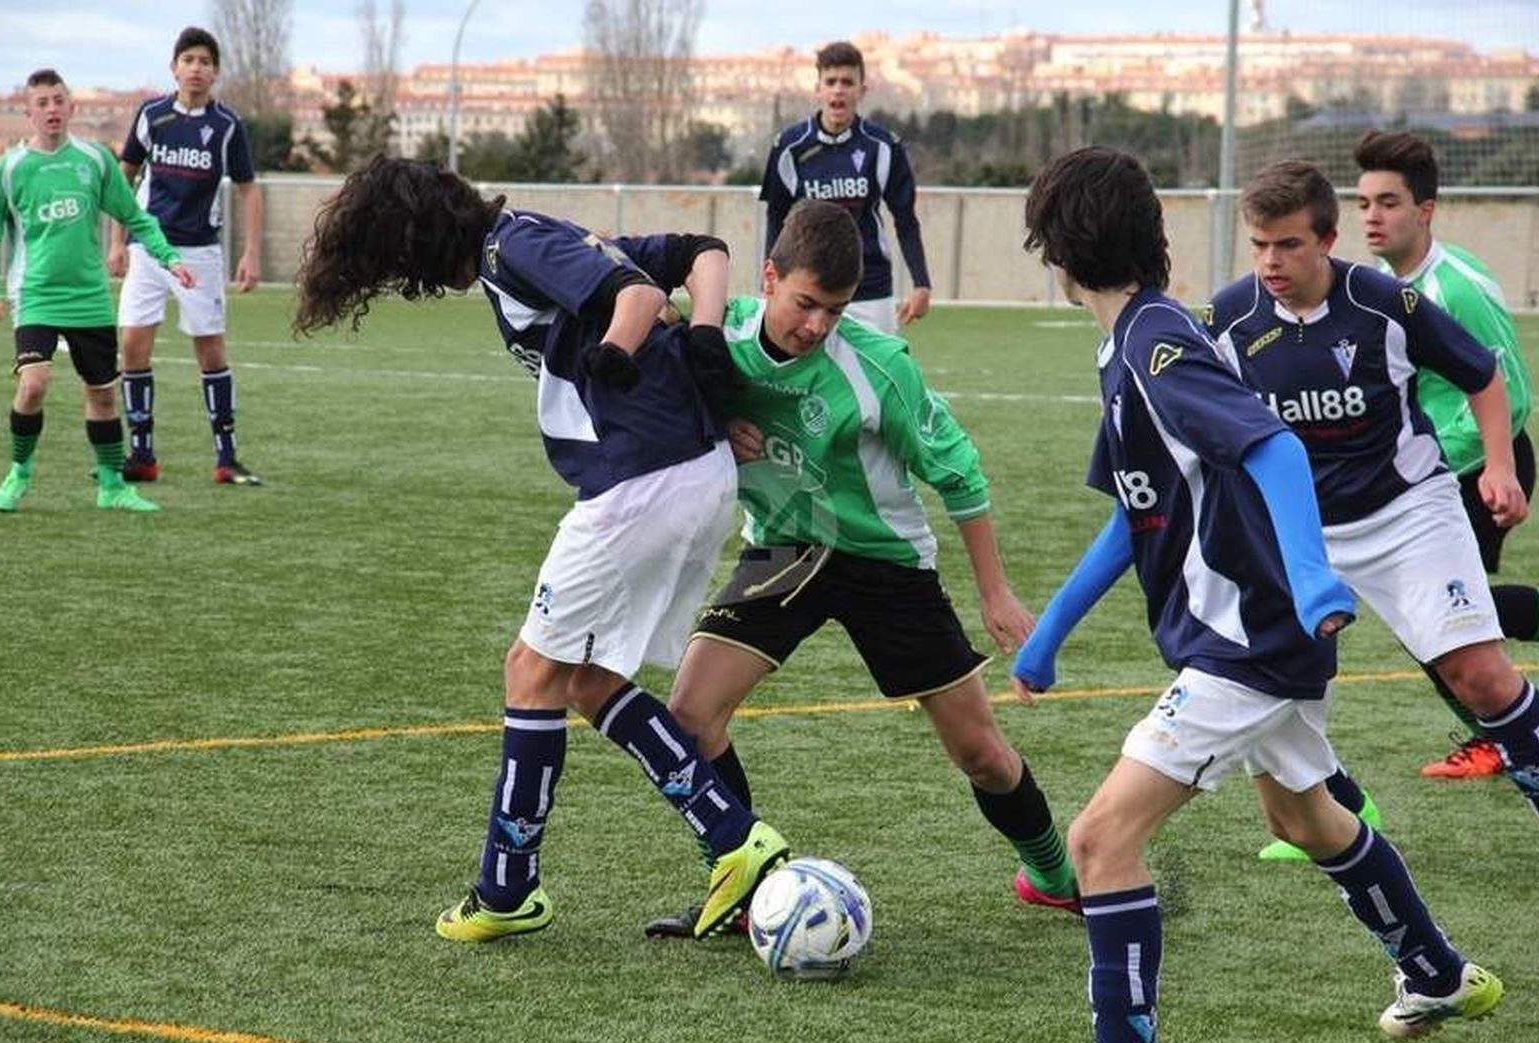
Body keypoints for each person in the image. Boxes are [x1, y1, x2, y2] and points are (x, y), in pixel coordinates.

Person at [1012, 145, 1502, 1043]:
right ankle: (1434, 969)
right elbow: (1137, 509)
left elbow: (1273, 447)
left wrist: (1315, 576)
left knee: (1098, 839)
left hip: (1249, 641)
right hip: (1247, 632)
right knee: (1302, 817)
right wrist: (1050, 632)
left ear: (1059, 249)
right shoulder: (1128, 343)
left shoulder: (1157, 345)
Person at [293, 155, 789, 944]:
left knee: (530, 669)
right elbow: (700, 250)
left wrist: (623, 352)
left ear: (414, 237)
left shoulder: (510, 247)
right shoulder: (534, 242)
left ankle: (510, 887)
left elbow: (635, 293)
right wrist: (691, 355)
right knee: (587, 679)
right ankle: (733, 837)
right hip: (683, 473)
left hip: (643, 483)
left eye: (391, 258)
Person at [641, 200, 1078, 940]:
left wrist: (995, 592)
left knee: (982, 754)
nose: (816, 325)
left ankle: (1055, 877)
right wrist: (714, 429)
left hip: (886, 563)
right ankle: (745, 879)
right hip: (783, 550)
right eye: (805, 303)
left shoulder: (880, 365)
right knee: (689, 714)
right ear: (769, 277)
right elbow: (647, 378)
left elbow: (961, 474)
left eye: (835, 311)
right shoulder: (718, 341)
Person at [1206, 160, 1539, 850]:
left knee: (1478, 675)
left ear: (1327, 239)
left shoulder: (1383, 302)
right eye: (1259, 245)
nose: (1270, 261)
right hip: (1298, 529)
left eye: (1289, 244)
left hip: (1408, 513)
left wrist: (1501, 467)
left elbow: (1483, 374)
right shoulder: (1229, 319)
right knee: (1260, 680)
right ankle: (1342, 805)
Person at [1354, 129, 1539, 779]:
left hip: (1478, 468)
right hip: (1425, 474)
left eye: (1388, 202)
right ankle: (1497, 738)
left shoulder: (1456, 287)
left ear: (1425, 210)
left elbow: (1511, 394)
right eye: (1363, 204)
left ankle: (1501, 740)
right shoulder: (1382, 283)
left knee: (1448, 624)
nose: (1372, 217)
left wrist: (1492, 468)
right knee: (1445, 621)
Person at [0, 68, 194, 514]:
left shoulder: (94, 160)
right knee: (33, 384)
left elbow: (135, 216)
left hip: (89, 297)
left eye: (59, 100)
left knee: (103, 394)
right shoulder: (12, 168)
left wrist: (169, 257)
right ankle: (19, 472)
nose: (52, 109)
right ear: (28, 112)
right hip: (35, 295)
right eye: (42, 103)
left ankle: (111, 486)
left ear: (72, 107)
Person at [105, 25, 264, 486]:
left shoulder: (226, 126)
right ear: (174, 67)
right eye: (188, 60)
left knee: (211, 352)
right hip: (149, 249)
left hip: (199, 253)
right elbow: (124, 177)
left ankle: (227, 457)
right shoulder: (152, 116)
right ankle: (142, 455)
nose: (196, 69)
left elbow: (250, 190)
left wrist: (251, 253)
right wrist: (117, 242)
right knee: (133, 348)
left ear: (215, 72)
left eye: (205, 61)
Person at [759, 40, 931, 334]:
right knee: (799, 375)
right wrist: (771, 280)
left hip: (870, 288)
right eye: (831, 81)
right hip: (807, 288)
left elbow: (905, 219)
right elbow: (776, 217)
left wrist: (921, 283)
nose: (839, 89)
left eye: (848, 82)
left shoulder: (883, 147)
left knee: (879, 375)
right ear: (819, 89)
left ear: (861, 90)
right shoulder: (789, 146)